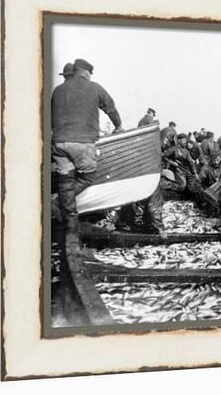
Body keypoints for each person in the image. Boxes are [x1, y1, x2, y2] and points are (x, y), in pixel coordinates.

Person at [51, 58, 123, 316]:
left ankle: (68, 222)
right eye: (90, 73)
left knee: (66, 180)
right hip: (83, 143)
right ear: (88, 73)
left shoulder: (58, 90)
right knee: (88, 176)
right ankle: (59, 202)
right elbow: (110, 106)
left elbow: (50, 117)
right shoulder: (95, 88)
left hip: (59, 143)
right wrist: (118, 125)